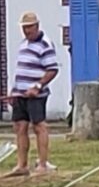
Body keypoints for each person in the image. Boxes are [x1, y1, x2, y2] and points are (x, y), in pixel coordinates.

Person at [6, 11, 59, 177]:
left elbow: (52, 69)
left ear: (37, 26)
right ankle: (22, 164)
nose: (26, 31)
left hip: (36, 95)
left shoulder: (45, 44)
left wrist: (37, 86)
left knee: (39, 126)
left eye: (29, 27)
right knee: (20, 127)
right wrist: (14, 91)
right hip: (20, 94)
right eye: (24, 28)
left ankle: (43, 164)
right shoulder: (23, 44)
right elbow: (21, 69)